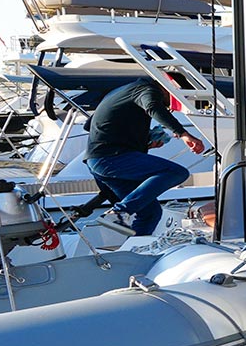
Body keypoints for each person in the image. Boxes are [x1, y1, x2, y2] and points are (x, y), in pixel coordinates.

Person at [83, 78, 206, 236]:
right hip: (110, 158)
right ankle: (119, 213)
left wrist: (144, 141)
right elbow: (152, 106)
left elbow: (90, 125)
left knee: (150, 213)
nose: (171, 107)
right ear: (170, 88)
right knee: (176, 172)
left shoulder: (121, 91)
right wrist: (182, 133)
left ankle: (134, 246)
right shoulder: (147, 90)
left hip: (97, 161)